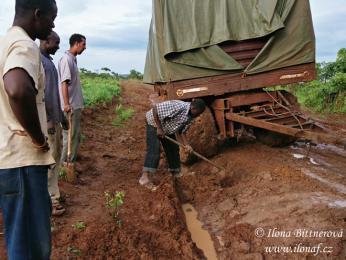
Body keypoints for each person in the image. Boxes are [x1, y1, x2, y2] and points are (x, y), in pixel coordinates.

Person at [0, 0, 57, 259]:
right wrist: (38, 140)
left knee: (20, 238)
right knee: (31, 246)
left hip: (8, 159)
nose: (53, 24)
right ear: (37, 14)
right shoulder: (25, 45)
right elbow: (18, 88)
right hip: (22, 161)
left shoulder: (5, 42)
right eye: (51, 17)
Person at [139, 99, 206, 188]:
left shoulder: (191, 116)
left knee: (173, 149)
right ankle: (144, 178)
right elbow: (155, 109)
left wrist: (186, 145)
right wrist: (159, 128)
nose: (199, 115)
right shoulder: (178, 106)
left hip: (167, 128)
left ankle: (175, 172)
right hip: (154, 123)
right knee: (154, 150)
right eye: (199, 112)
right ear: (193, 108)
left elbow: (182, 132)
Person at [40, 30, 67, 216]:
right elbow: (42, 97)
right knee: (50, 162)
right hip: (48, 123)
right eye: (55, 42)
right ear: (44, 41)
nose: (58, 46)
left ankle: (52, 196)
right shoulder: (40, 62)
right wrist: (50, 120)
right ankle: (51, 201)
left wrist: (61, 117)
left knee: (55, 160)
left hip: (54, 120)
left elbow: (53, 95)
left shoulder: (48, 62)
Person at [58, 33, 86, 165]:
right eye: (83, 44)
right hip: (71, 107)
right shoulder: (66, 60)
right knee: (69, 137)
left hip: (75, 105)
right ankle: (65, 165)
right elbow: (64, 83)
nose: (85, 47)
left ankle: (70, 164)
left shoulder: (73, 59)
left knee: (74, 137)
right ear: (76, 43)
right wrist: (66, 104)